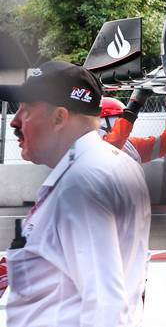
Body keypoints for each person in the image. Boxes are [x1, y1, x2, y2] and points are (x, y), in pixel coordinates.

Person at [0, 60, 151, 326]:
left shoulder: (81, 184)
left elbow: (106, 307)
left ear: (59, 118)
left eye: (25, 110)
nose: (14, 121)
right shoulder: (112, 165)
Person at [100, 88, 166, 163]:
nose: (120, 121)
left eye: (121, 118)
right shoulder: (94, 149)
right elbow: (114, 144)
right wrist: (135, 104)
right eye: (119, 118)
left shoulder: (132, 147)